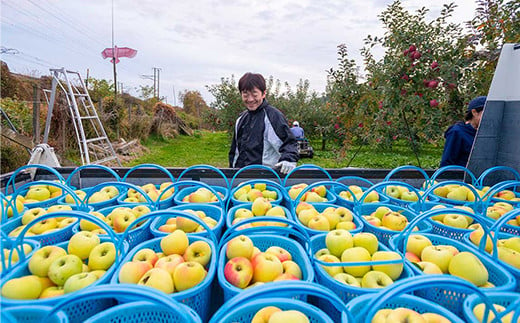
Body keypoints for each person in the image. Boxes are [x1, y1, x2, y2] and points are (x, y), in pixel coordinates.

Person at [229, 72, 299, 174]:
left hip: (266, 179)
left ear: (263, 93)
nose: (250, 99)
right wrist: (232, 173)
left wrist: (289, 159)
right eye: (245, 94)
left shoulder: (273, 116)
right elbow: (234, 152)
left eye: (254, 94)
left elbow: (289, 143)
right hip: (241, 178)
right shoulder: (240, 119)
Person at [440, 96, 486, 167]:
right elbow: (447, 163)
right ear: (474, 112)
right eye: (486, 113)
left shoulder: (486, 133)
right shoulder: (457, 132)